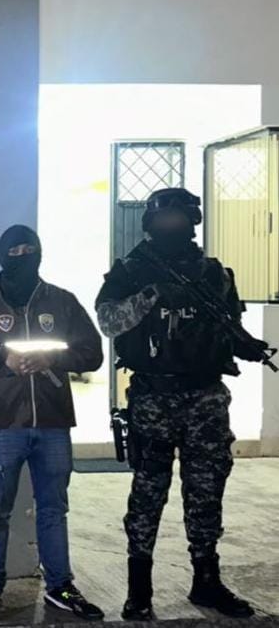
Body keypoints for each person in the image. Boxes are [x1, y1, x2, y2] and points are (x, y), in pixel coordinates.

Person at [95, 188, 266, 620]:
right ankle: (139, 589)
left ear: (192, 222)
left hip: (206, 397)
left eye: (178, 218)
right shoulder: (132, 271)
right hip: (154, 396)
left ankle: (206, 581)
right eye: (163, 219)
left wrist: (244, 345)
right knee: (148, 492)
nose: (171, 225)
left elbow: (228, 326)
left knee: (206, 491)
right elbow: (109, 321)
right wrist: (152, 295)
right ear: (150, 224)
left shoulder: (214, 275)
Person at [0, 224, 104, 622]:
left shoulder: (61, 300)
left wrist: (54, 359)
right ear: (1, 256)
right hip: (1, 425)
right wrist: (2, 356)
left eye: (29, 249)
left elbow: (93, 353)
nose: (22, 257)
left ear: (40, 252)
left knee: (53, 509)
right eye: (14, 251)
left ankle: (60, 586)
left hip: (53, 423)